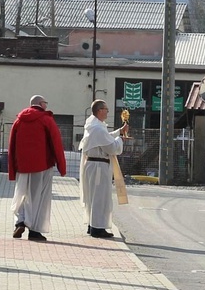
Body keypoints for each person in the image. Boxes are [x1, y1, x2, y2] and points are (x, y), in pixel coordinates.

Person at [9, 95, 67, 241]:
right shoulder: (46, 119)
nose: (46, 106)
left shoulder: (18, 120)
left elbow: (12, 145)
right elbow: (56, 143)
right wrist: (61, 166)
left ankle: (20, 221)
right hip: (43, 165)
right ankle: (34, 230)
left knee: (21, 193)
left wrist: (12, 168)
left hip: (22, 165)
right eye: (45, 103)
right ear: (41, 104)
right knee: (38, 198)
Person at [78, 99, 128, 238]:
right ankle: (97, 227)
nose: (108, 111)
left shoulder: (94, 126)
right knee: (99, 197)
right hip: (98, 167)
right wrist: (121, 139)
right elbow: (111, 147)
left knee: (93, 197)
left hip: (94, 165)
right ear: (99, 110)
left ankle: (92, 224)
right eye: (106, 109)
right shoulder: (98, 128)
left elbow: (106, 138)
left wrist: (119, 132)